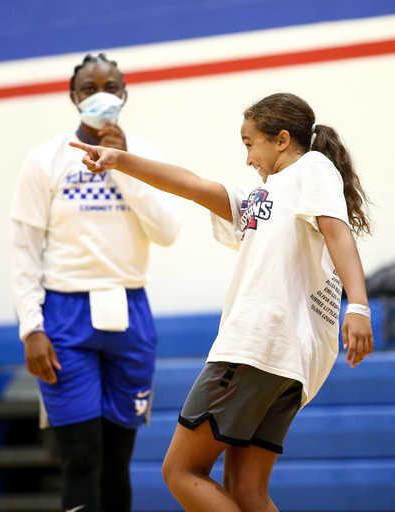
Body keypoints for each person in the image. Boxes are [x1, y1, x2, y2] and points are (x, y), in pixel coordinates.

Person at [70, 92, 374, 512]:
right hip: (287, 364)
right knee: (247, 492)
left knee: (180, 472)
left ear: (282, 139)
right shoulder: (263, 200)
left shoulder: (311, 168)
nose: (248, 157)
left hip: (256, 346)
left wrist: (357, 305)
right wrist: (120, 160)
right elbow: (192, 184)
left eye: (250, 143)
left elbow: (339, 232)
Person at [10, 53, 181, 512]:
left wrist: (126, 165)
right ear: (74, 96)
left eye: (110, 86)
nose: (100, 95)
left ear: (124, 94)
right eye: (89, 87)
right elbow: (24, 250)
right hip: (65, 315)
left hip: (130, 311)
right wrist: (32, 327)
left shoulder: (149, 155)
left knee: (117, 461)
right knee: (82, 457)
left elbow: (167, 232)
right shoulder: (43, 160)